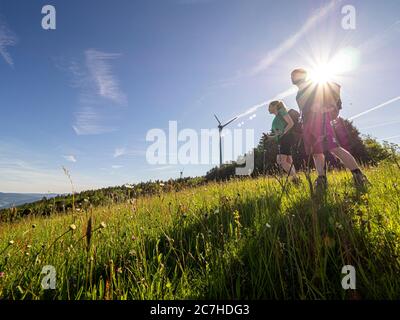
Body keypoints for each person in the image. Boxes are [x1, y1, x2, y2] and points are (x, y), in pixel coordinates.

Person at [290, 68, 368, 190]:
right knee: (316, 152)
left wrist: (330, 107)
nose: (293, 77)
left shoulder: (313, 85)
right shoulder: (299, 92)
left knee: (334, 148)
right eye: (292, 75)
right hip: (307, 124)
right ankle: (322, 179)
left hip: (320, 121)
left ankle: (358, 175)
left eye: (295, 74)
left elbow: (334, 89)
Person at [266, 100, 300, 184]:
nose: (268, 109)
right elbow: (279, 133)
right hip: (284, 138)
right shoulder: (277, 117)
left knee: (280, 160)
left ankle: (296, 178)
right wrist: (269, 137)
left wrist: (283, 133)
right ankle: (296, 180)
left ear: (275, 106)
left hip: (287, 137)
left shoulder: (281, 111)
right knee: (288, 161)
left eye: (269, 106)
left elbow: (290, 123)